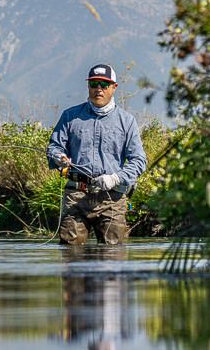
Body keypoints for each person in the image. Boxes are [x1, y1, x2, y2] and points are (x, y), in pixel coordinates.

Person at [46, 64, 147, 245]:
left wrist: (116, 178)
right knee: (71, 258)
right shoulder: (69, 116)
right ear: (88, 86)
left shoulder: (127, 121)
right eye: (94, 84)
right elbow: (54, 147)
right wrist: (58, 157)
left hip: (112, 198)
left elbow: (139, 160)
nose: (98, 89)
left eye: (104, 84)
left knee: (112, 259)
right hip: (76, 195)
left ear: (114, 87)